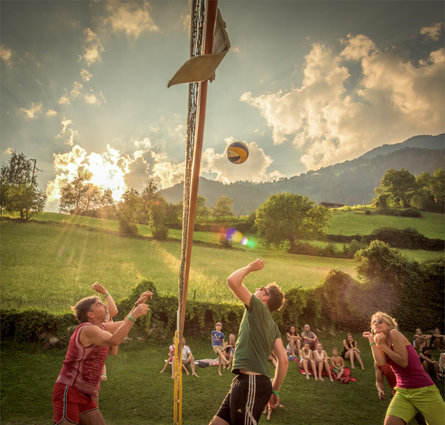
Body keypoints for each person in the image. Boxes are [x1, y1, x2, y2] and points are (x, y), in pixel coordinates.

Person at [53, 289, 152, 425]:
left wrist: (137, 305)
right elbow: (114, 340)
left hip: (85, 394)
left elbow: (123, 324)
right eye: (99, 304)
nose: (105, 306)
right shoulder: (87, 329)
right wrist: (134, 315)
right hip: (69, 390)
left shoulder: (100, 327)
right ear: (90, 314)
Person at [209, 258, 288, 425]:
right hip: (243, 381)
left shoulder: (258, 306)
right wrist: (275, 389)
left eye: (262, 288)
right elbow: (284, 359)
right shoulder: (272, 326)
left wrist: (250, 268)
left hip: (252, 381)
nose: (258, 289)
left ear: (265, 298)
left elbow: (232, 281)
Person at [363, 311, 445, 425]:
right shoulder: (380, 340)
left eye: (380, 321)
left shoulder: (394, 333)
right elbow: (381, 362)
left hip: (423, 390)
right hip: (403, 392)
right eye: (374, 322)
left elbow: (403, 362)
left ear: (389, 325)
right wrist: (373, 342)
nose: (376, 323)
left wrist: (382, 345)